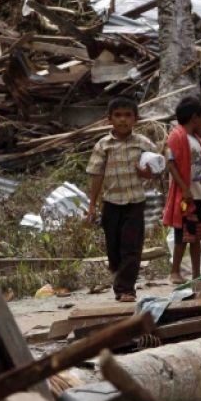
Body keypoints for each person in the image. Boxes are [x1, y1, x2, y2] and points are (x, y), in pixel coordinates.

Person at [85, 97, 156, 302]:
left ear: (136, 119)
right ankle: (118, 273)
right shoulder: (103, 145)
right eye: (118, 115)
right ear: (109, 120)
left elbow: (157, 166)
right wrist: (92, 205)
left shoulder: (143, 143)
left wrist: (148, 173)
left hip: (135, 202)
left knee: (131, 247)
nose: (123, 120)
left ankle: (126, 289)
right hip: (111, 203)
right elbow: (96, 174)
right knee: (113, 247)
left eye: (127, 115)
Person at [163, 96, 201, 283]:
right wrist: (184, 188)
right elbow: (170, 162)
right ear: (194, 118)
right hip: (185, 197)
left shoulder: (195, 139)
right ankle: (174, 271)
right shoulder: (176, 135)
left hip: (197, 195)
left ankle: (196, 274)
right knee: (182, 235)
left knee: (196, 235)